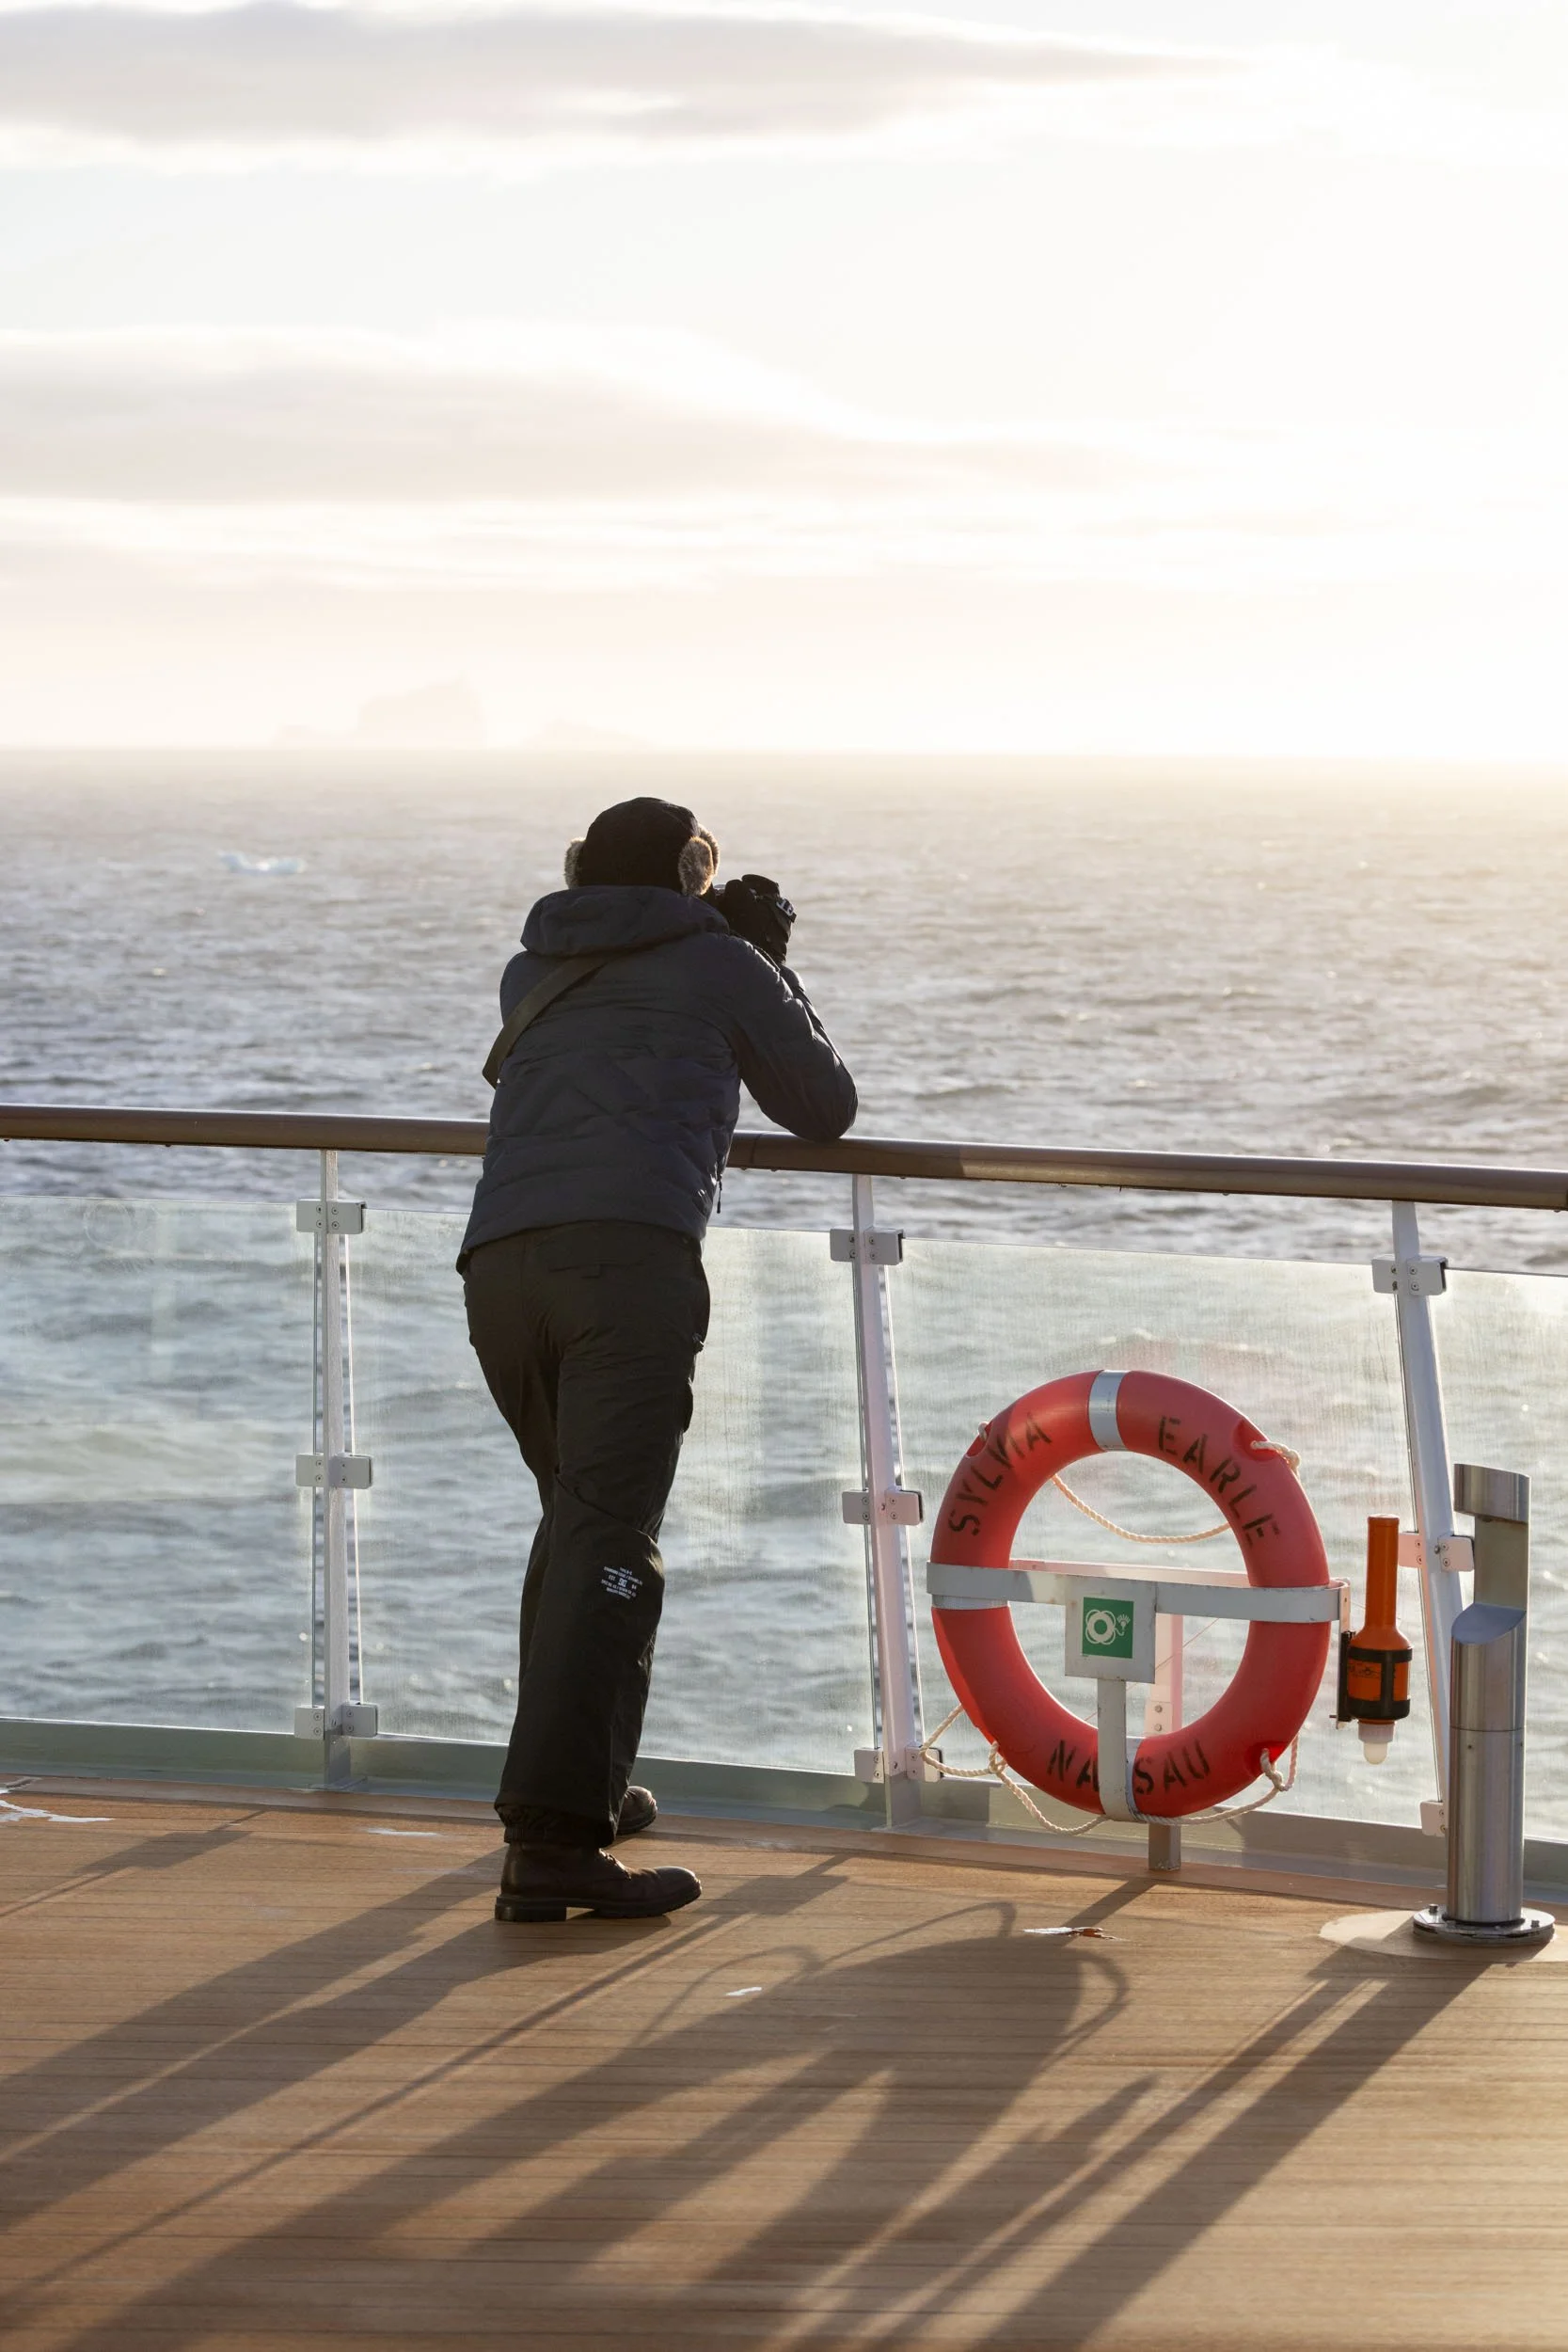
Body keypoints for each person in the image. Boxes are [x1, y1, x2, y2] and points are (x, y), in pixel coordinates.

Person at [460, 796, 858, 1923]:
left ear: (579, 870)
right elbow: (822, 1108)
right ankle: (551, 1843)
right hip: (626, 1267)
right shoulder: (718, 962)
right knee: (609, 1541)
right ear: (688, 874)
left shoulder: (526, 967)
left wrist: (721, 945)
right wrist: (758, 960)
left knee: (576, 1523)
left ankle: (569, 1794)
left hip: (499, 1268)